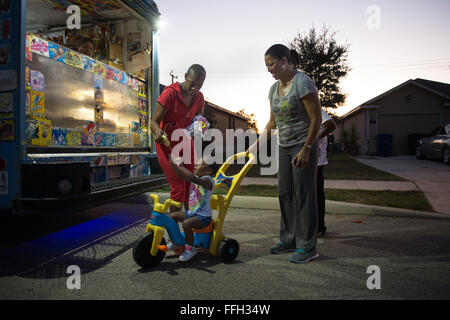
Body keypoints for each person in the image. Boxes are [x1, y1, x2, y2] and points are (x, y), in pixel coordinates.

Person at [248, 44, 322, 263]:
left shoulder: (303, 82)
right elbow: (272, 122)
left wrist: (307, 149)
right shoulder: (273, 89)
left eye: (271, 64)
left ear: (284, 61)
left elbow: (316, 119)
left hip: (303, 144)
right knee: (285, 194)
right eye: (267, 66)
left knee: (304, 195)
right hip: (284, 146)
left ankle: (307, 246)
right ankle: (289, 240)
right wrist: (255, 146)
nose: (269, 69)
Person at [150, 64, 206, 212]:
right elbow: (153, 121)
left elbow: (199, 118)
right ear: (186, 76)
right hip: (167, 144)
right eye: (192, 84)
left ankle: (188, 227)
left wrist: (200, 127)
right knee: (179, 188)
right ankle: (173, 232)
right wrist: (158, 132)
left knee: (190, 187)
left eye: (199, 86)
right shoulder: (170, 93)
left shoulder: (199, 97)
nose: (194, 89)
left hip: (186, 143)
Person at [166, 157, 215, 262]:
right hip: (192, 213)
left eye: (200, 164)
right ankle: (175, 242)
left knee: (187, 223)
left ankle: (190, 248)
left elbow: (192, 178)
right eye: (196, 163)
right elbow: (182, 175)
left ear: (209, 171)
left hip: (204, 217)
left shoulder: (208, 181)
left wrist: (181, 166)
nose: (196, 165)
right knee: (171, 217)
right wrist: (173, 163)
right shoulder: (197, 177)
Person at [317, 108, 336, 237]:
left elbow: (331, 125)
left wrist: (313, 138)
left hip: (316, 159)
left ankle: (319, 226)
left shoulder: (315, 107)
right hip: (301, 157)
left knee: (316, 193)